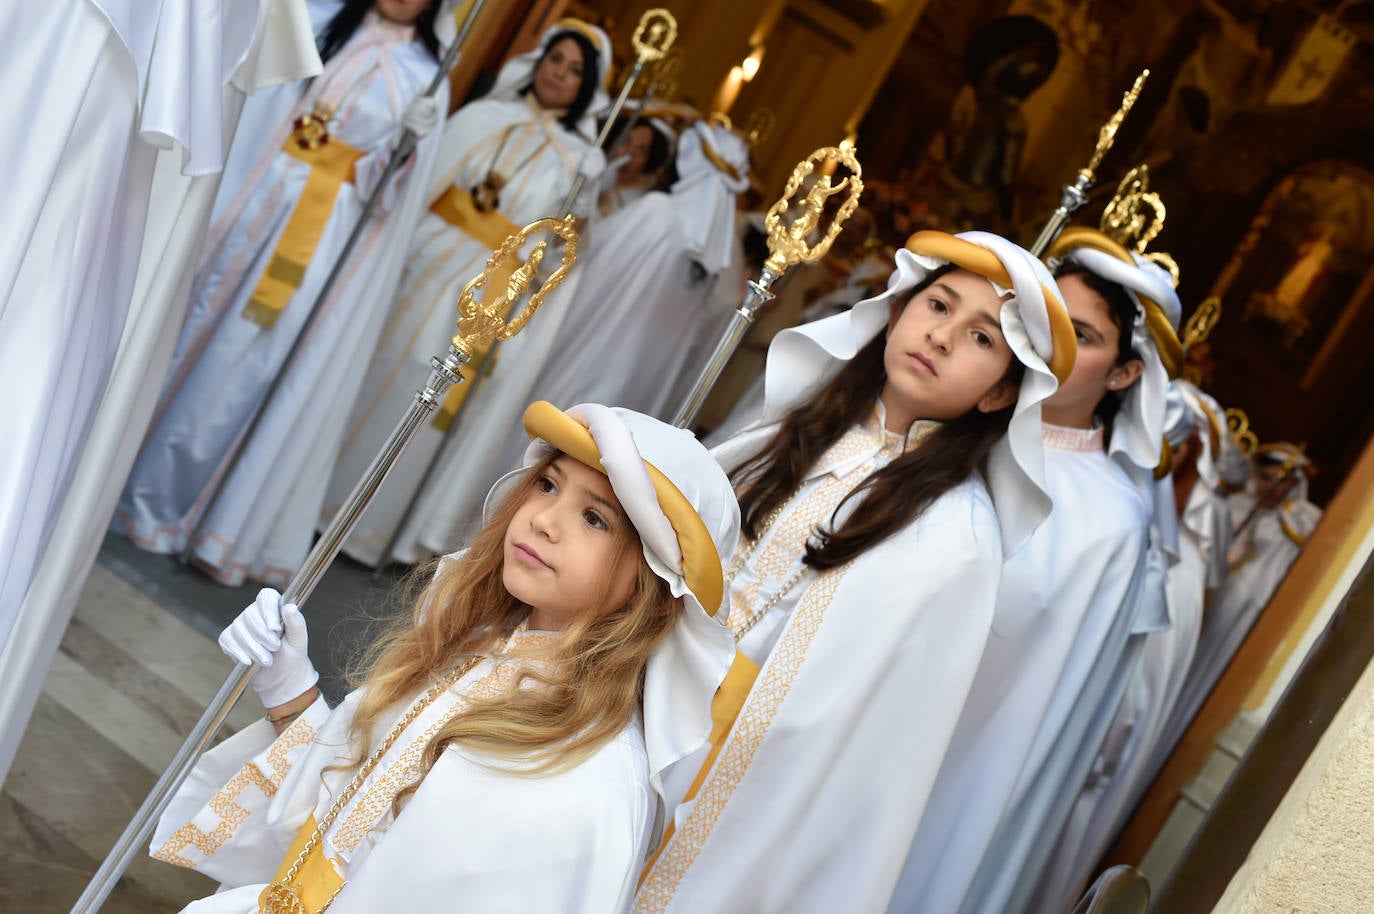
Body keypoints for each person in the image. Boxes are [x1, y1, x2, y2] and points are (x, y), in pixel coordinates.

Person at [633, 230, 1076, 914]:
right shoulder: (803, 426)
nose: (943, 337)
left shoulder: (957, 539)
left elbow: (865, 737)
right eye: (938, 306)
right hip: (643, 695)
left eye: (984, 339)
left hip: (740, 769)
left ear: (998, 397)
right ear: (898, 311)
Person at [149, 402, 740, 913]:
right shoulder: (478, 653)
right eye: (549, 484)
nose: (542, 519)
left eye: (594, 518)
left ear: (650, 586)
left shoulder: (586, 783)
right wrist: (289, 688)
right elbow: (331, 837)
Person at [894, 227, 1182, 914]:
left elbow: (1033, 703)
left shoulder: (1109, 520)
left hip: (947, 766)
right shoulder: (952, 419)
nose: (1051, 345)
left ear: (1124, 375)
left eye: (1080, 336)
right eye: (1043, 318)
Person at [113, 0, 447, 586]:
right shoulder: (319, 22)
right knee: (191, 324)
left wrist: (402, 153)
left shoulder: (428, 77)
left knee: (245, 365)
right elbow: (260, 103)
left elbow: (396, 194)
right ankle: (114, 471)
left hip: (324, 237)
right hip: (258, 195)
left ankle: (177, 506)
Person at [328, 19, 612, 568]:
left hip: (495, 297)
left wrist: (582, 202)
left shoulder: (579, 162)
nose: (561, 73)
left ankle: (378, 531)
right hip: (431, 269)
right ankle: (327, 503)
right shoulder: (485, 116)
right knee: (389, 375)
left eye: (576, 70)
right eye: (557, 58)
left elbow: (560, 256)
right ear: (539, 60)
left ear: (587, 87)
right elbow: (424, 185)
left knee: (440, 407)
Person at [525, 116, 751, 425]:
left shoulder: (658, 212)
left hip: (591, 353)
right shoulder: (712, 254)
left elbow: (586, 261)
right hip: (631, 388)